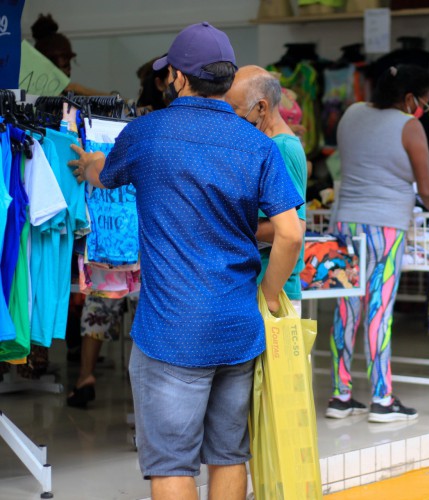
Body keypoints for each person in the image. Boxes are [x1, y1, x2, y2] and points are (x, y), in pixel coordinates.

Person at [68, 22, 303, 500]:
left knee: (172, 463)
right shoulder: (258, 144)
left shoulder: (146, 132)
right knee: (229, 455)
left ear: (177, 77)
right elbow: (291, 232)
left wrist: (89, 163)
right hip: (238, 327)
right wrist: (268, 294)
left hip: (171, 331)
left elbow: (103, 174)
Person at [326, 64, 429, 423]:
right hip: (387, 226)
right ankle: (382, 398)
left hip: (346, 222)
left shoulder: (351, 114)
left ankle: (340, 395)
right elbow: (427, 189)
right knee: (378, 308)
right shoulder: (409, 127)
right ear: (409, 98)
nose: (422, 110)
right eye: (424, 102)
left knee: (347, 308)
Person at [67, 55, 174, 409]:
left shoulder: (131, 120)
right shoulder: (167, 123)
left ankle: (85, 375)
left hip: (115, 226)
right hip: (152, 231)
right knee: (151, 309)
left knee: (101, 301)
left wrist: (78, 89)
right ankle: (149, 391)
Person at [226, 66, 308, 314]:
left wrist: (225, 225)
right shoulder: (271, 144)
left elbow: (293, 229)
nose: (231, 119)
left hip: (271, 291)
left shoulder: (280, 148)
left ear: (261, 107)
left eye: (235, 109)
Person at [31, 13, 109, 96]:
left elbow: (117, 102)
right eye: (65, 66)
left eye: (68, 64)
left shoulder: (74, 93)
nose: (69, 70)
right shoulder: (29, 96)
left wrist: (86, 92)